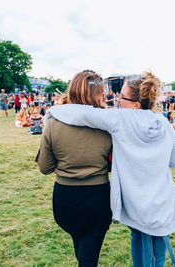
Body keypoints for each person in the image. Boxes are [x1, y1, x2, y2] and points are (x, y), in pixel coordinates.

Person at [45, 71, 175, 267]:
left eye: (122, 96)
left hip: (138, 199)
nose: (117, 99)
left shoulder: (120, 119)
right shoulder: (165, 124)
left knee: (148, 245)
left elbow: (83, 114)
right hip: (161, 196)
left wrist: (52, 112)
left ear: (136, 104)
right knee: (148, 239)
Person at [36, 70, 113, 267]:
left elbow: (44, 167)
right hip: (98, 196)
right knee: (88, 252)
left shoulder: (53, 122)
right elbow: (115, 163)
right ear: (98, 93)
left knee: (83, 248)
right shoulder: (108, 122)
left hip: (66, 197)